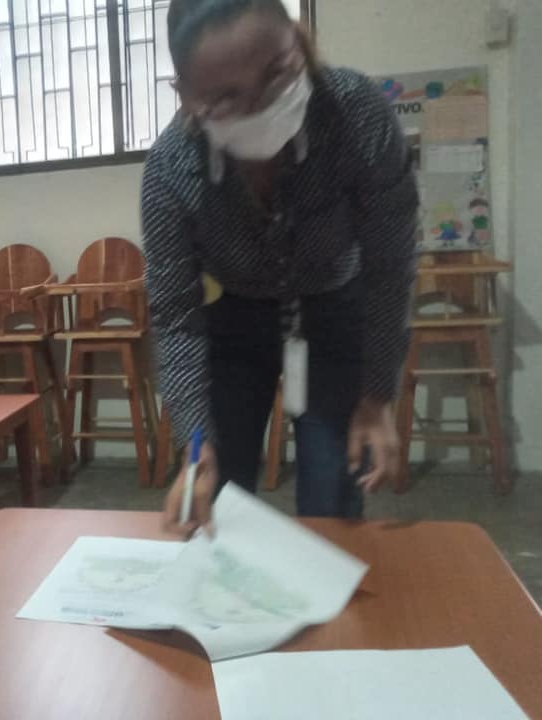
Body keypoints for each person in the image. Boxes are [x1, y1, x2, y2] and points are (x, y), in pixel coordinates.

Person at [143, 0, 419, 534]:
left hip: (334, 307)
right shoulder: (170, 171)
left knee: (331, 497)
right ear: (186, 95)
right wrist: (195, 443)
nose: (260, 107)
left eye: (275, 75)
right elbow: (176, 317)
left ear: (297, 40)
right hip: (236, 316)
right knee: (218, 496)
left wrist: (377, 395)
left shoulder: (355, 113)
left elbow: (390, 264)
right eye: (226, 98)